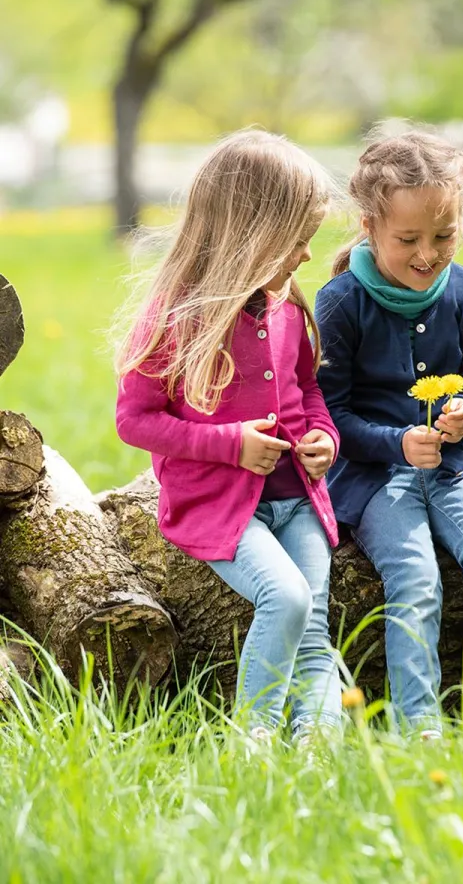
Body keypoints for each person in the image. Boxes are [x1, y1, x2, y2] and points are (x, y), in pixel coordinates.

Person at [115, 129, 342, 745]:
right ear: (253, 234)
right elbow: (134, 421)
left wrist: (324, 438)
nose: (304, 257)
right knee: (287, 598)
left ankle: (321, 753)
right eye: (296, 241)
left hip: (297, 496)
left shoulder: (287, 307)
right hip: (219, 505)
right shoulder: (175, 316)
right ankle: (256, 743)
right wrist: (231, 446)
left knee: (315, 623)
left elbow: (307, 391)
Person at [315, 125, 463, 737]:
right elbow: (330, 417)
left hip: (453, 471)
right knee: (415, 574)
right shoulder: (340, 301)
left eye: (444, 235)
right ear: (370, 225)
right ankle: (419, 727)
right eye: (408, 239)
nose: (428, 254)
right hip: (376, 480)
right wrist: (396, 443)